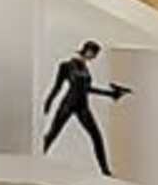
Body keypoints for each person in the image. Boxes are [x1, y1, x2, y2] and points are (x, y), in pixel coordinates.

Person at [40, 41, 128, 174]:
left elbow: (86, 89)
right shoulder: (66, 66)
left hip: (82, 106)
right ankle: (36, 159)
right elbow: (57, 87)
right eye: (94, 54)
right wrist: (49, 102)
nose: (94, 57)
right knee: (52, 134)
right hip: (68, 104)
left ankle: (105, 170)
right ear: (88, 51)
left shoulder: (85, 68)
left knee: (96, 136)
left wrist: (110, 94)